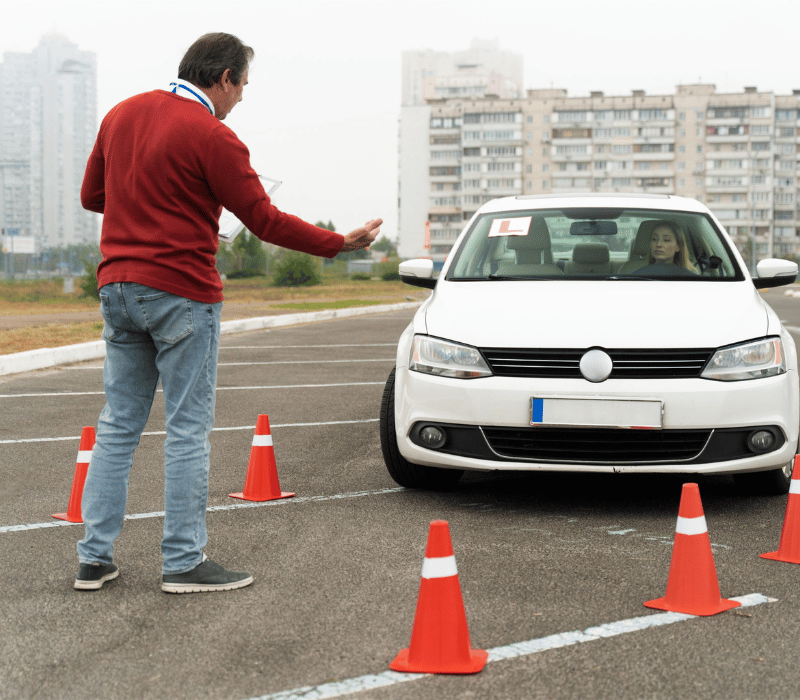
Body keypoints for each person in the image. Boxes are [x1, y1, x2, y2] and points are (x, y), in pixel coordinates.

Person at [75, 33, 381, 593]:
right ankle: (183, 562)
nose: (241, 98)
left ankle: (94, 559)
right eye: (242, 86)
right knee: (188, 430)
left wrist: (154, 205)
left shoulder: (121, 114)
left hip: (117, 287)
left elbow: (93, 196)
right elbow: (263, 220)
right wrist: (339, 243)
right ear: (222, 78)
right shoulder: (214, 135)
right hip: (180, 292)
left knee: (119, 427)